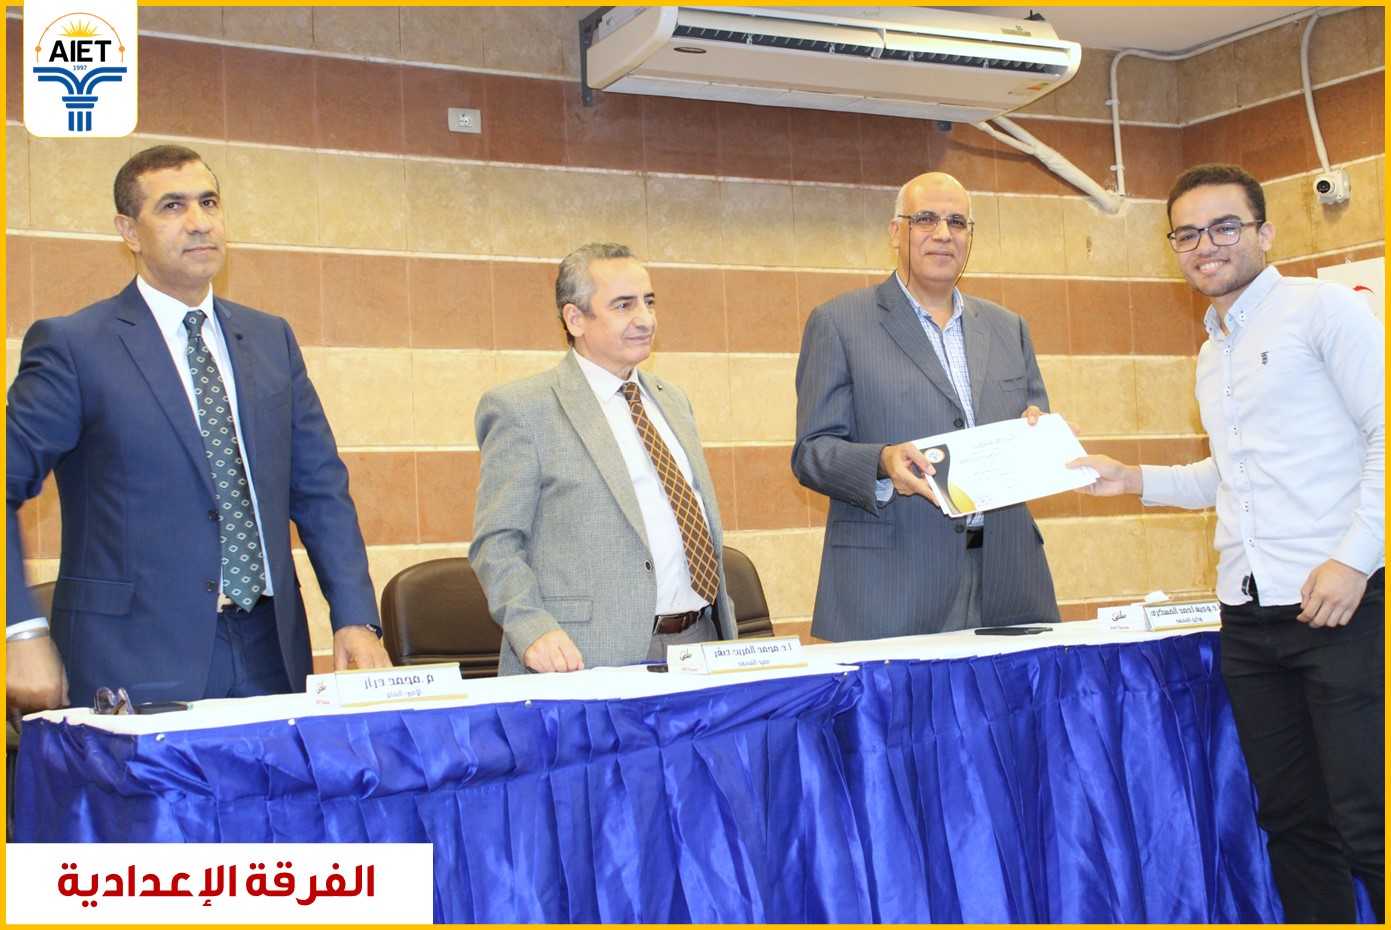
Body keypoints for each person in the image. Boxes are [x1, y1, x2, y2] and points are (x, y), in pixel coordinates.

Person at [1070, 163, 1383, 923]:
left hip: (1347, 608)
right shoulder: (1213, 353)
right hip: (1249, 619)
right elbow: (1232, 473)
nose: (1205, 244)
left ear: (1264, 234)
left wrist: (1354, 560)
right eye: (1186, 233)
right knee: (1292, 822)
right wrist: (1132, 479)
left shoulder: (1325, 312)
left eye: (1224, 227)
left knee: (1371, 823)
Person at [5, 144, 390, 718]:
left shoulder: (271, 340)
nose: (199, 221)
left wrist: (355, 617)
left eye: (209, 202)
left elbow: (320, 490)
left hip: (270, 651)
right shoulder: (73, 346)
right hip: (131, 660)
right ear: (128, 231)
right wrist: (20, 630)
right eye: (172, 206)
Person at [792, 171, 1059, 640]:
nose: (942, 234)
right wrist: (882, 462)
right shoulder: (839, 323)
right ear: (896, 232)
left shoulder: (1009, 327)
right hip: (893, 588)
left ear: (970, 237)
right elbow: (812, 452)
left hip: (1008, 582)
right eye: (926, 219)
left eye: (957, 222)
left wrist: (1038, 436)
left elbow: (1033, 423)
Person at [470, 242, 736, 674]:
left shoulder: (672, 401)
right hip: (586, 655)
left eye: (649, 302)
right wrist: (531, 628)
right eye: (623, 305)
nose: (645, 319)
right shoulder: (523, 409)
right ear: (575, 318)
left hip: (700, 642)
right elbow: (496, 543)